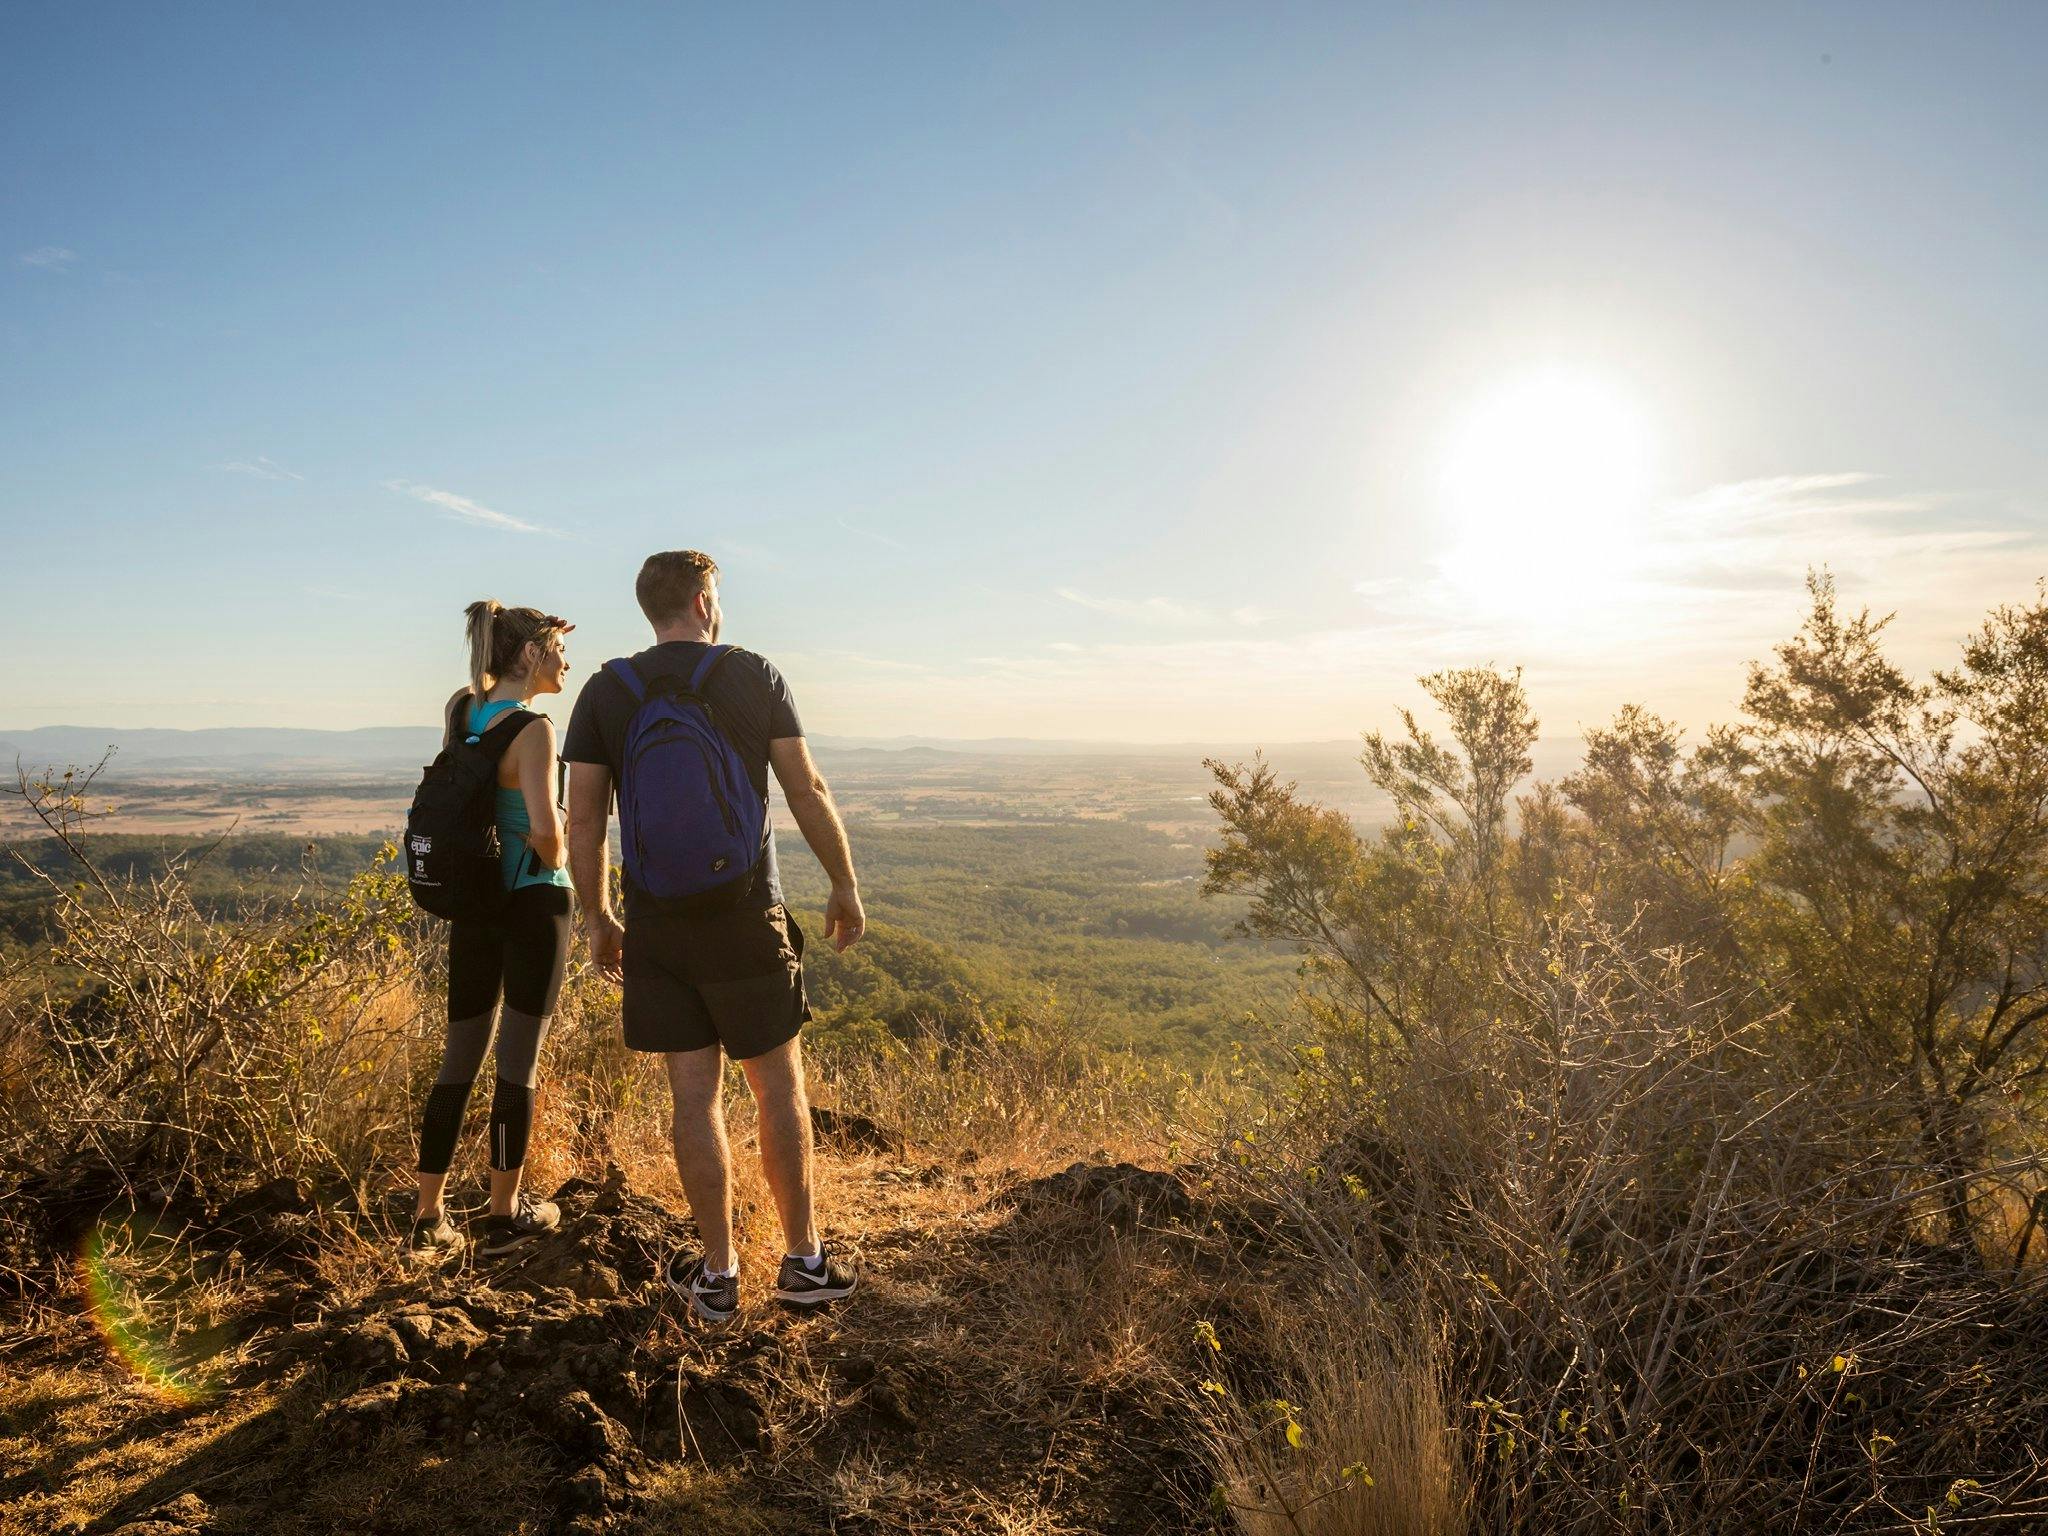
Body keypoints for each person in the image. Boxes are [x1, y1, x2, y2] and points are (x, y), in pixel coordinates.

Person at [564, 549, 865, 1323]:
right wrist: (843, 882)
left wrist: (598, 918)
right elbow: (806, 788)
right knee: (779, 1089)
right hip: (745, 914)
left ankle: (719, 1275)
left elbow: (584, 821)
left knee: (694, 1100)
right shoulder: (752, 674)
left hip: (659, 927)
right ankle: (803, 1264)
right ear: (703, 603)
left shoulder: (605, 691)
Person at [408, 601, 576, 1262]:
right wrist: (561, 841)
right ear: (531, 654)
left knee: (459, 1061)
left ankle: (428, 1217)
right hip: (534, 902)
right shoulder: (535, 729)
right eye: (558, 649)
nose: (566, 663)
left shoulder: (462, 711)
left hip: (476, 904)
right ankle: (504, 1216)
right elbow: (549, 837)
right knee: (517, 1062)